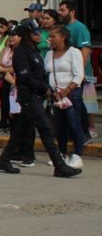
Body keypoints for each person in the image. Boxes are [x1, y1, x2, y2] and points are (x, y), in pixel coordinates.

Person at [0, 22, 82, 179]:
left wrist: (47, 89)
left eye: (39, 31)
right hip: (29, 97)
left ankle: (3, 160)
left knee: (21, 130)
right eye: (35, 32)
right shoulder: (21, 52)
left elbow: (39, 76)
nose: (39, 35)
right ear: (27, 34)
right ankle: (59, 166)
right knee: (46, 129)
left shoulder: (34, 51)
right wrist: (46, 89)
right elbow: (25, 77)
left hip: (37, 96)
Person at [45, 25, 85, 169]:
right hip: (56, 95)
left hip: (71, 94)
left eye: (53, 36)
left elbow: (79, 74)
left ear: (63, 37)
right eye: (50, 36)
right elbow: (47, 72)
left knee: (74, 124)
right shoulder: (49, 54)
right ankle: (62, 153)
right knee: (59, 126)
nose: (51, 39)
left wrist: (67, 90)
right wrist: (51, 90)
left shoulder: (73, 52)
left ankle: (77, 155)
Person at [58, 0, 97, 139]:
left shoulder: (80, 28)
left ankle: (90, 129)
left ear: (72, 12)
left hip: (82, 74)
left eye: (63, 10)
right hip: (69, 75)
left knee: (87, 104)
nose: (60, 13)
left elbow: (85, 50)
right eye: (59, 10)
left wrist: (79, 73)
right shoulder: (63, 28)